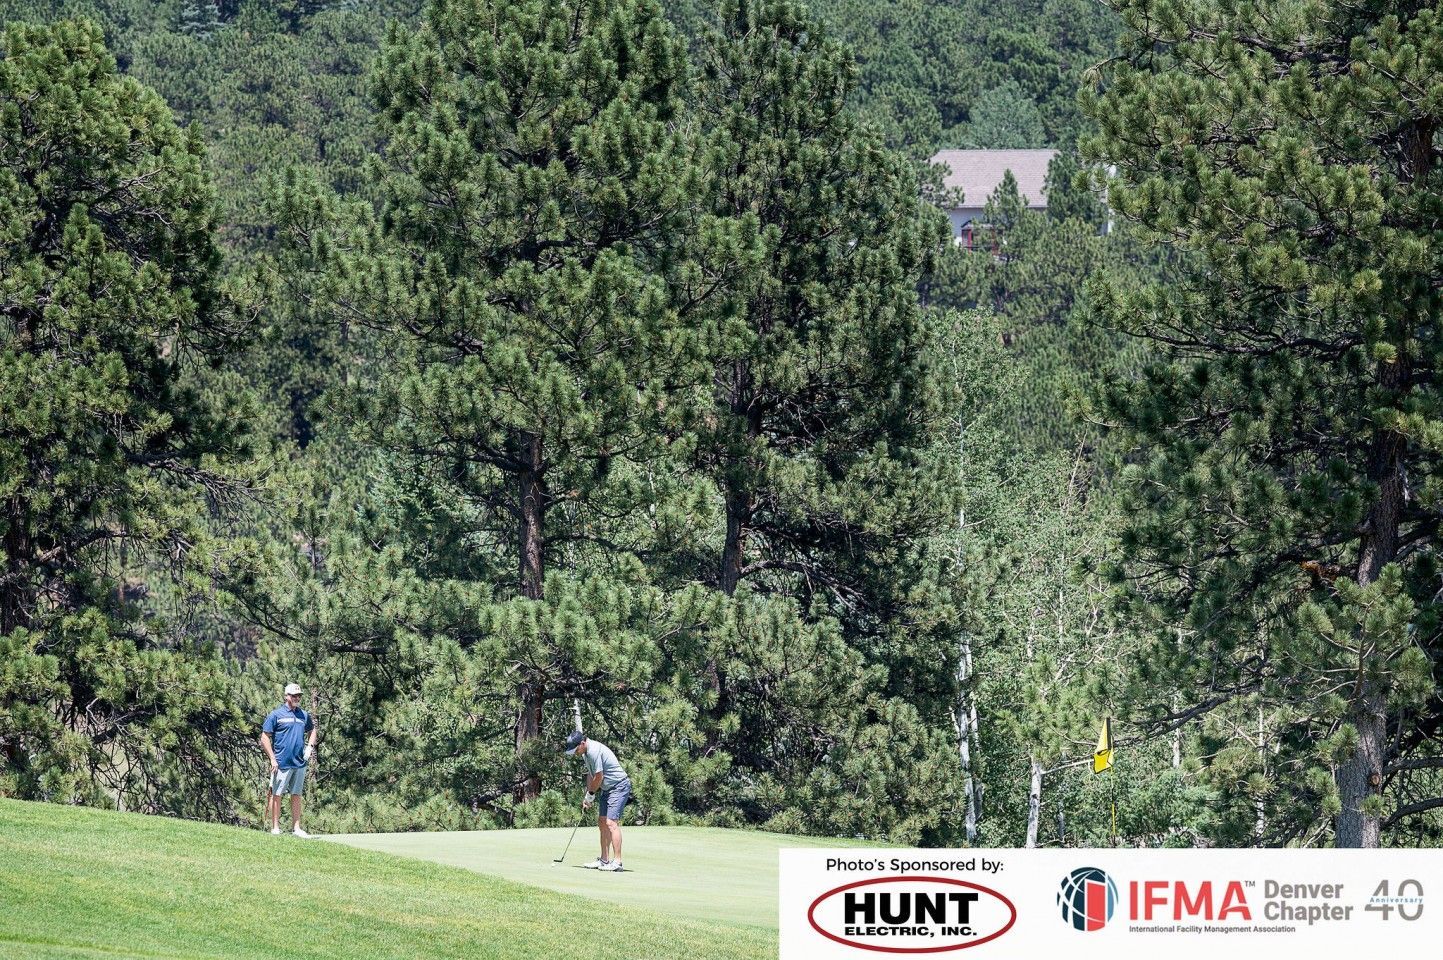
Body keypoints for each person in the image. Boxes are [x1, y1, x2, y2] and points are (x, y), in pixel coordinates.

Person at [562, 730, 632, 872]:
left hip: (619, 785)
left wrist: (591, 794)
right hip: (607, 788)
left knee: (611, 822)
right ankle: (604, 860)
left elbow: (599, 777)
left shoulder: (593, 751)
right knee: (602, 821)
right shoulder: (585, 753)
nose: (575, 753)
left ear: (582, 743)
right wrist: (588, 795)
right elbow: (591, 774)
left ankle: (617, 862)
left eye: (576, 750)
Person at [261, 682, 317, 837]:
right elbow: (264, 738)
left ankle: (296, 828)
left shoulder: (303, 715)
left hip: (299, 762)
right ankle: (275, 828)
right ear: (286, 696)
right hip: (281, 762)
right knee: (277, 794)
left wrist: (309, 747)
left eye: (298, 696)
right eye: (293, 696)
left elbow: (312, 731)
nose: (296, 698)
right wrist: (272, 759)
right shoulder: (276, 715)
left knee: (296, 794)